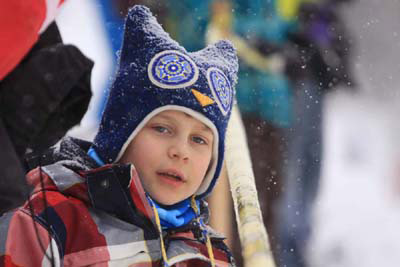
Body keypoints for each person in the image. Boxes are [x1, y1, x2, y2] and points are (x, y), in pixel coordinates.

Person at [0, 5, 238, 267]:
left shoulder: (209, 253)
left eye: (199, 140)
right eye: (162, 129)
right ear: (121, 133)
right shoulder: (51, 220)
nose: (180, 151)